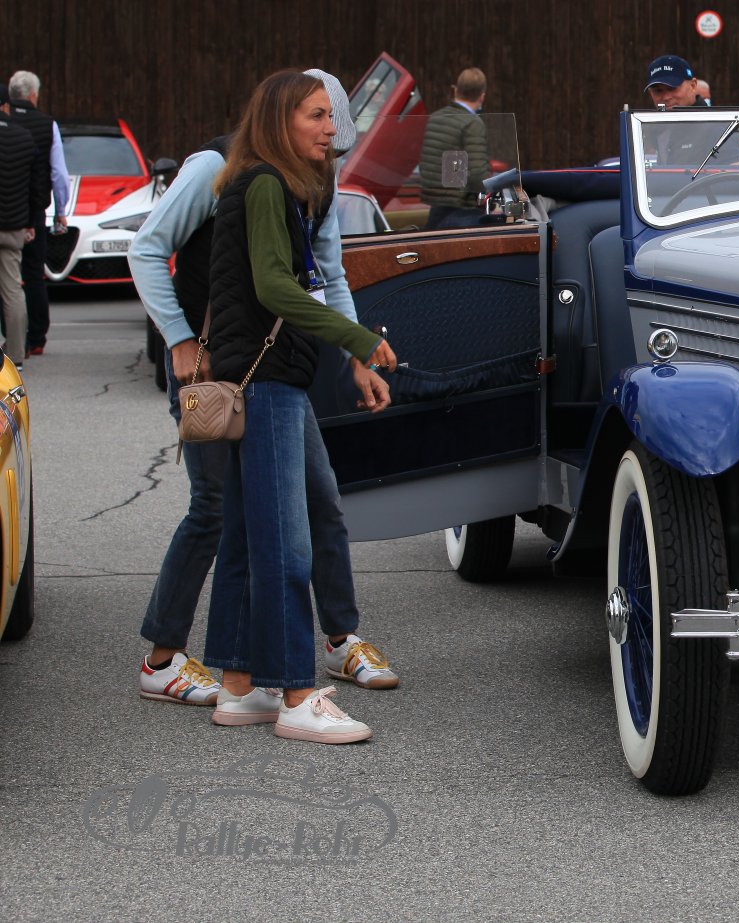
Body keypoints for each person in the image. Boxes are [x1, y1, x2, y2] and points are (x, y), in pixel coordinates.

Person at [129, 69, 400, 709]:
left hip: (272, 367)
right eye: (318, 123)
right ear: (286, 122)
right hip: (213, 366)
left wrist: (354, 355)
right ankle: (163, 659)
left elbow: (328, 273)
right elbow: (146, 250)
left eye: (335, 134)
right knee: (217, 509)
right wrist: (180, 340)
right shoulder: (219, 169)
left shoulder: (313, 179)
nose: (329, 144)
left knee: (320, 499)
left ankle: (337, 639)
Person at [6, 71, 70, 357]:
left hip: (7, 211)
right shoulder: (47, 124)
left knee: (7, 278)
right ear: (33, 95)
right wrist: (60, 210)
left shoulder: (7, 123)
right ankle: (36, 338)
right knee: (33, 274)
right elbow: (58, 173)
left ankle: (12, 338)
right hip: (34, 212)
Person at [419, 66, 490, 230]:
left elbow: (431, 163)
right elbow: (477, 174)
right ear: (482, 96)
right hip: (462, 209)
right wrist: (490, 191)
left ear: (456, 90)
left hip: (436, 205)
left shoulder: (435, 117)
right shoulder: (473, 123)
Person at [643, 55, 739, 166]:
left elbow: (734, 175)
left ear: (693, 85)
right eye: (658, 91)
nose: (666, 97)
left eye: (672, 88)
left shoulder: (718, 128)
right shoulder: (658, 129)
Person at [0, 109, 42, 367]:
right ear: (6, 107)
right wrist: (30, 222)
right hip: (13, 226)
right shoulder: (25, 138)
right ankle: (15, 356)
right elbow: (35, 186)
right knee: (13, 291)